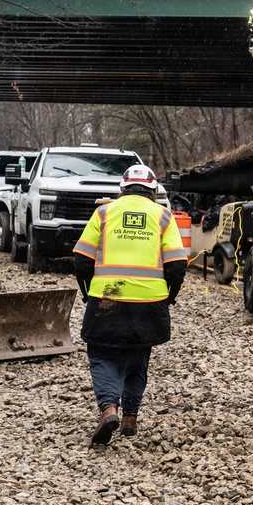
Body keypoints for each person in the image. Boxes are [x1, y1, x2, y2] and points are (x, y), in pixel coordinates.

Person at [72, 165, 187, 445]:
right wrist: (169, 297)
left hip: (106, 298)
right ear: (154, 190)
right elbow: (177, 265)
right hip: (148, 302)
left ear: (121, 188)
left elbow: (82, 259)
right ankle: (130, 418)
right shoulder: (163, 215)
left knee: (101, 354)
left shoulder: (104, 213)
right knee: (138, 355)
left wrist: (87, 292)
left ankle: (109, 408)